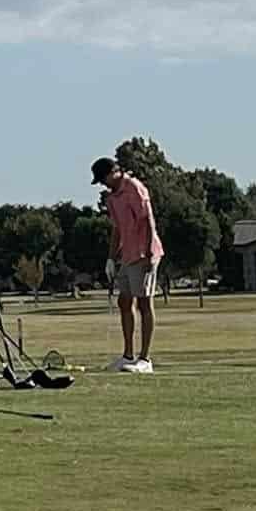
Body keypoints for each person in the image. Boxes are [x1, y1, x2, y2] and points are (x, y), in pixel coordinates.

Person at [92, 157, 164, 373]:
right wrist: (111, 258)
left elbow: (148, 220)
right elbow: (117, 229)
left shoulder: (134, 188)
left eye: (104, 178)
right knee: (125, 302)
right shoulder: (112, 198)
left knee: (144, 303)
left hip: (144, 253)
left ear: (114, 171)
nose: (103, 184)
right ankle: (128, 355)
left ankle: (145, 359)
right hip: (128, 255)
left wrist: (150, 251)